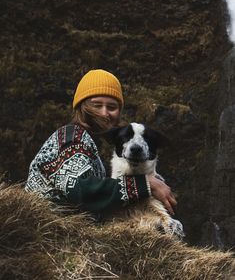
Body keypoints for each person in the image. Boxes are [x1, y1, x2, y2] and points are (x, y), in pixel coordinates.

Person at [25, 69, 177, 216]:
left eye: (112, 107)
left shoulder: (87, 143)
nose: (104, 113)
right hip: (45, 226)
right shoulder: (70, 137)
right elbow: (80, 191)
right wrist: (146, 184)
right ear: (82, 107)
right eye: (97, 105)